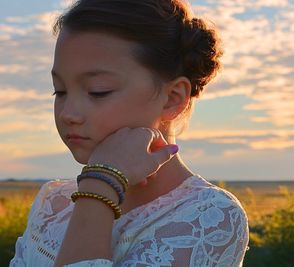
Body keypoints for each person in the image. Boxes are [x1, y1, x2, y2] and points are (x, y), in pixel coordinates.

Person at [9, 0, 249, 266]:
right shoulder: (53, 205)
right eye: (60, 91)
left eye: (98, 91)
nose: (68, 113)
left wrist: (101, 184)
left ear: (172, 98)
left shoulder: (209, 216)